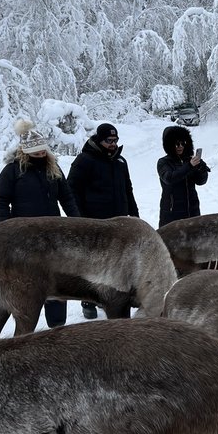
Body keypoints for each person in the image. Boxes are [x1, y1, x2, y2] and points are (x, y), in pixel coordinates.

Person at [0, 119, 79, 328]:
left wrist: (77, 222)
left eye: (43, 150)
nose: (41, 154)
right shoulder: (12, 171)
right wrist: (7, 229)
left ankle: (57, 324)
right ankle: (24, 324)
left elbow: (66, 198)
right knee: (29, 280)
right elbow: (1, 200)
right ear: (25, 151)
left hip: (54, 234)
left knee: (58, 276)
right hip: (24, 236)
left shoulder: (54, 168)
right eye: (36, 151)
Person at [68, 123, 139, 318]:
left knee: (115, 263)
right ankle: (88, 301)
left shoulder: (120, 161)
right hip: (94, 224)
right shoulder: (84, 161)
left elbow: (128, 190)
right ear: (100, 140)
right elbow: (71, 190)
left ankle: (108, 297)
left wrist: (134, 215)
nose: (113, 144)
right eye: (109, 141)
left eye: (115, 140)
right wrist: (79, 220)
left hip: (119, 223)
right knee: (92, 265)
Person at [157, 125, 210, 227]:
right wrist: (189, 166)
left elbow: (201, 181)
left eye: (183, 143)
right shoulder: (163, 162)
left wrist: (201, 169)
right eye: (177, 144)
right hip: (171, 213)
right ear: (169, 145)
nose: (180, 146)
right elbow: (169, 178)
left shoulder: (188, 160)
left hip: (192, 210)